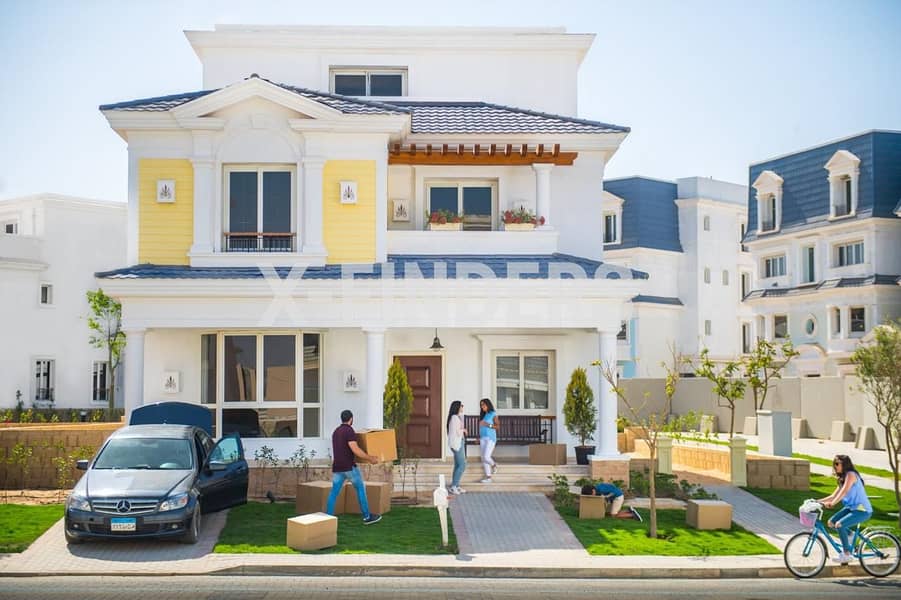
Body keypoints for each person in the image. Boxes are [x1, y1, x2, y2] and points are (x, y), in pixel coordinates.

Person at [326, 410, 382, 525]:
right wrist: (370, 458)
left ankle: (328, 518)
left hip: (337, 467)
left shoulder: (336, 431)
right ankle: (367, 517)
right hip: (349, 467)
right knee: (360, 489)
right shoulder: (349, 431)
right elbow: (355, 449)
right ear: (351, 419)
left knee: (334, 492)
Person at [820, 454, 872, 563]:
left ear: (844, 464)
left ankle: (847, 554)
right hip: (852, 508)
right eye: (834, 464)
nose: (835, 466)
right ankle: (851, 535)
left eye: (837, 464)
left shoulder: (851, 474)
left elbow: (844, 491)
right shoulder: (843, 478)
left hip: (862, 509)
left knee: (840, 525)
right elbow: (833, 495)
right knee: (831, 523)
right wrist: (816, 501)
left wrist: (832, 503)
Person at [446, 400, 467, 495]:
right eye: (461, 405)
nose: (462, 407)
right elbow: (458, 432)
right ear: (457, 407)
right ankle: (454, 486)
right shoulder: (455, 418)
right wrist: (464, 430)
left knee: (458, 465)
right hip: (457, 444)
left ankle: (456, 486)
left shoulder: (455, 417)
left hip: (456, 443)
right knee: (462, 465)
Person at [478, 398, 499, 483]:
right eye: (481, 405)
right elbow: (481, 428)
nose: (482, 406)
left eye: (483, 404)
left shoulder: (493, 414)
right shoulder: (483, 415)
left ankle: (494, 465)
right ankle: (488, 477)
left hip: (490, 438)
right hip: (483, 438)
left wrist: (488, 425)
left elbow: (497, 426)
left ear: (488, 405)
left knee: (486, 456)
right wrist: (479, 437)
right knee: (483, 458)